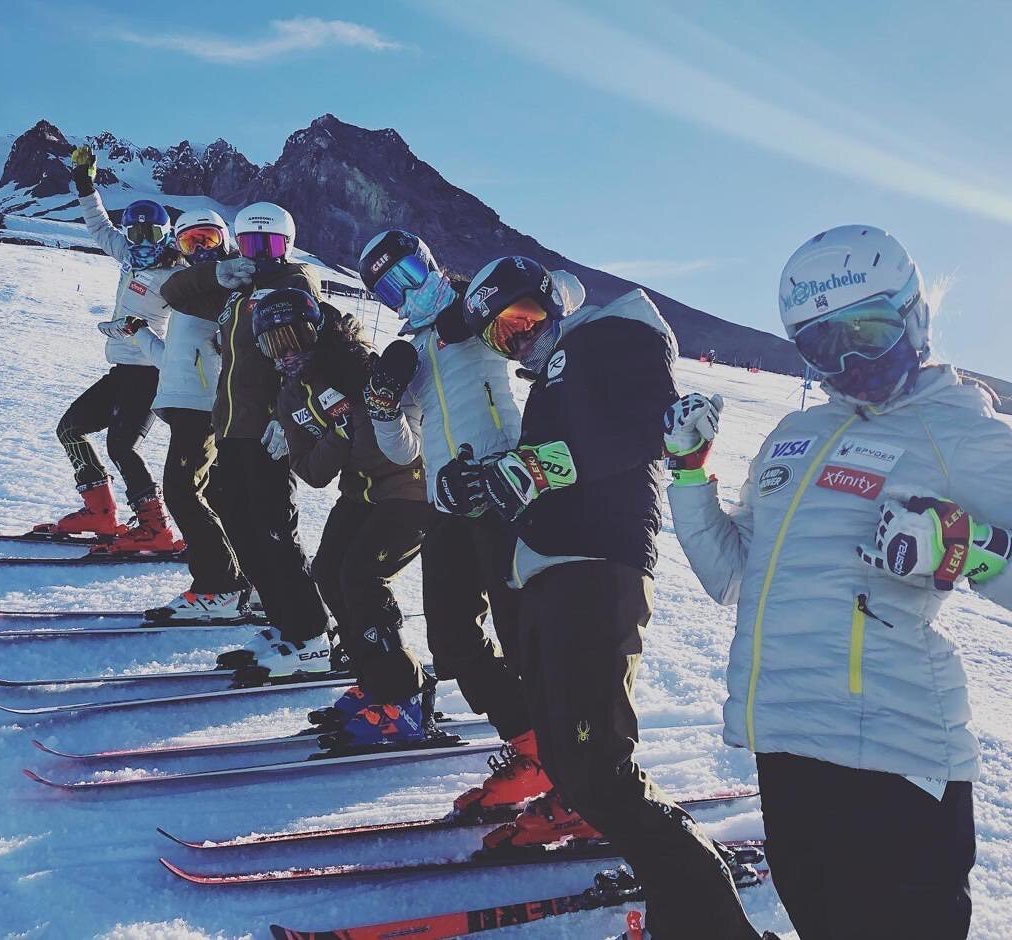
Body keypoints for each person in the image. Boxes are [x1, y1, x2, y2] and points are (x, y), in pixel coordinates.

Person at [665, 225, 1011, 939]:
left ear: (916, 317)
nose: (850, 362)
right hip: (787, 745)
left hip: (894, 762)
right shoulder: (793, 436)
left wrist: (973, 552)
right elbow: (733, 576)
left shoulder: (962, 433)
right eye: (824, 346)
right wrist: (692, 472)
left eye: (869, 334)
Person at [444, 255, 769, 940]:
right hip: (554, 570)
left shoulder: (613, 336)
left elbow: (645, 429)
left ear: (556, 299)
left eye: (528, 317)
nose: (522, 338)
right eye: (505, 335)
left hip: (596, 569)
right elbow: (550, 469)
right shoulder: (556, 373)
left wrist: (532, 469)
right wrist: (478, 489)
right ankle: (672, 909)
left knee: (600, 771)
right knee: (572, 762)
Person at [357, 230, 550, 815]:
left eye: (412, 272)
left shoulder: (480, 310)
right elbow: (401, 450)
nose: (408, 290)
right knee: (451, 638)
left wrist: (478, 306)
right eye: (392, 287)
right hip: (448, 503)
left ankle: (568, 755)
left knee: (524, 636)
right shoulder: (410, 349)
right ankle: (532, 746)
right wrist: (383, 405)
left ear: (432, 262)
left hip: (507, 492)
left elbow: (552, 300)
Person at [252, 287, 435, 743]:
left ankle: (404, 695)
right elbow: (312, 471)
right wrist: (339, 433)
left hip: (409, 490)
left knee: (360, 577)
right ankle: (375, 681)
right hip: (360, 494)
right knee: (329, 574)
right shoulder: (291, 398)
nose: (287, 352)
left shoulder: (355, 363)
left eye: (294, 337)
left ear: (316, 331)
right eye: (274, 344)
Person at [161, 202, 333, 681]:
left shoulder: (297, 282)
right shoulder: (235, 293)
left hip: (267, 433)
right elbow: (173, 291)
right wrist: (220, 272)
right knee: (239, 522)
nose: (260, 254)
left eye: (270, 245)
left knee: (275, 531)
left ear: (287, 245)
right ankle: (283, 623)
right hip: (232, 430)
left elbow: (307, 356)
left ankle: (311, 634)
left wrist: (289, 418)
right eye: (252, 244)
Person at [34, 145, 181, 553]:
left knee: (122, 446)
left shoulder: (175, 275)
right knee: (70, 429)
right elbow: (99, 225)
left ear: (165, 234)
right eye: (135, 232)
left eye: (150, 233)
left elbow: (200, 307)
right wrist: (84, 182)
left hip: (150, 373)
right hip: (120, 371)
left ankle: (156, 527)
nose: (141, 240)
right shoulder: (128, 256)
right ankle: (100, 511)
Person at [132, 208, 250, 623]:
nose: (200, 249)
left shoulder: (228, 285)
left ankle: (221, 585)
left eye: (207, 239)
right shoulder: (191, 290)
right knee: (207, 495)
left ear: (225, 239)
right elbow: (173, 359)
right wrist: (141, 335)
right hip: (184, 402)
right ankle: (237, 583)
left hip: (204, 406)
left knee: (183, 491)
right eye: (189, 242)